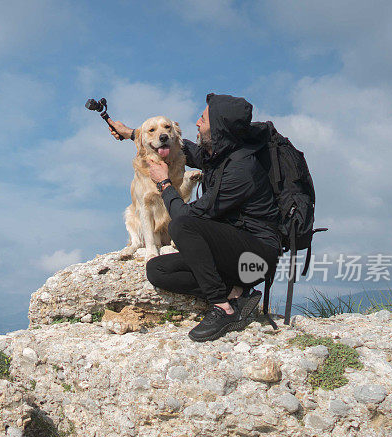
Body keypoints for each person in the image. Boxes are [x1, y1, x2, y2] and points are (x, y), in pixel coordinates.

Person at [108, 93, 281, 342]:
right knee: (157, 270)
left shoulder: (240, 169)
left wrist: (165, 184)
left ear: (219, 127)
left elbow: (186, 217)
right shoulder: (219, 154)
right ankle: (236, 293)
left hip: (255, 255)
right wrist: (133, 133)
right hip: (230, 252)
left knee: (183, 224)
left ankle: (223, 308)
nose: (197, 124)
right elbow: (172, 142)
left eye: (203, 119)